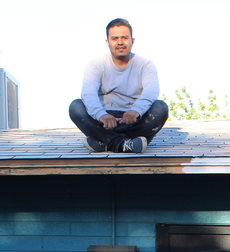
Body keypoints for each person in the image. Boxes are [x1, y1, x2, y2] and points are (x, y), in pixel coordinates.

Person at [67, 18, 169, 154]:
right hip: (104, 122)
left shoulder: (145, 65)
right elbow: (88, 93)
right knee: (76, 106)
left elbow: (151, 90)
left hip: (133, 120)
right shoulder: (96, 64)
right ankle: (124, 144)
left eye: (124, 38)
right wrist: (102, 115)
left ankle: (104, 142)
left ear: (132, 41)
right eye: (115, 38)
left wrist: (136, 111)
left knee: (161, 108)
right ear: (107, 42)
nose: (120, 42)